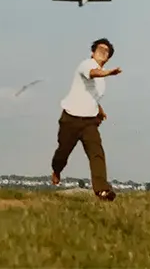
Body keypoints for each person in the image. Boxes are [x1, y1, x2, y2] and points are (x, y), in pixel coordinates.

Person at [50, 38, 122, 201]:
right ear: (92, 53)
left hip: (89, 122)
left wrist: (100, 110)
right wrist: (109, 72)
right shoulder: (86, 64)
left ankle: (102, 190)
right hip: (71, 118)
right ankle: (56, 170)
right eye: (100, 49)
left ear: (108, 58)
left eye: (106, 51)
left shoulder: (102, 82)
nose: (103, 52)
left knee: (97, 153)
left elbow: (92, 96)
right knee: (63, 153)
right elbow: (93, 73)